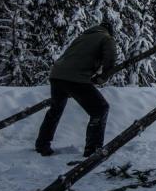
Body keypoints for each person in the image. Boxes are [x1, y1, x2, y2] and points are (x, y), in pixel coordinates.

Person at [35, 20, 117, 158]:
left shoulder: (82, 37)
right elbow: (110, 58)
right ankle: (93, 150)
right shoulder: (106, 37)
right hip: (75, 78)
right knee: (100, 109)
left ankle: (42, 144)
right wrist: (104, 76)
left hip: (57, 75)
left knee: (55, 110)